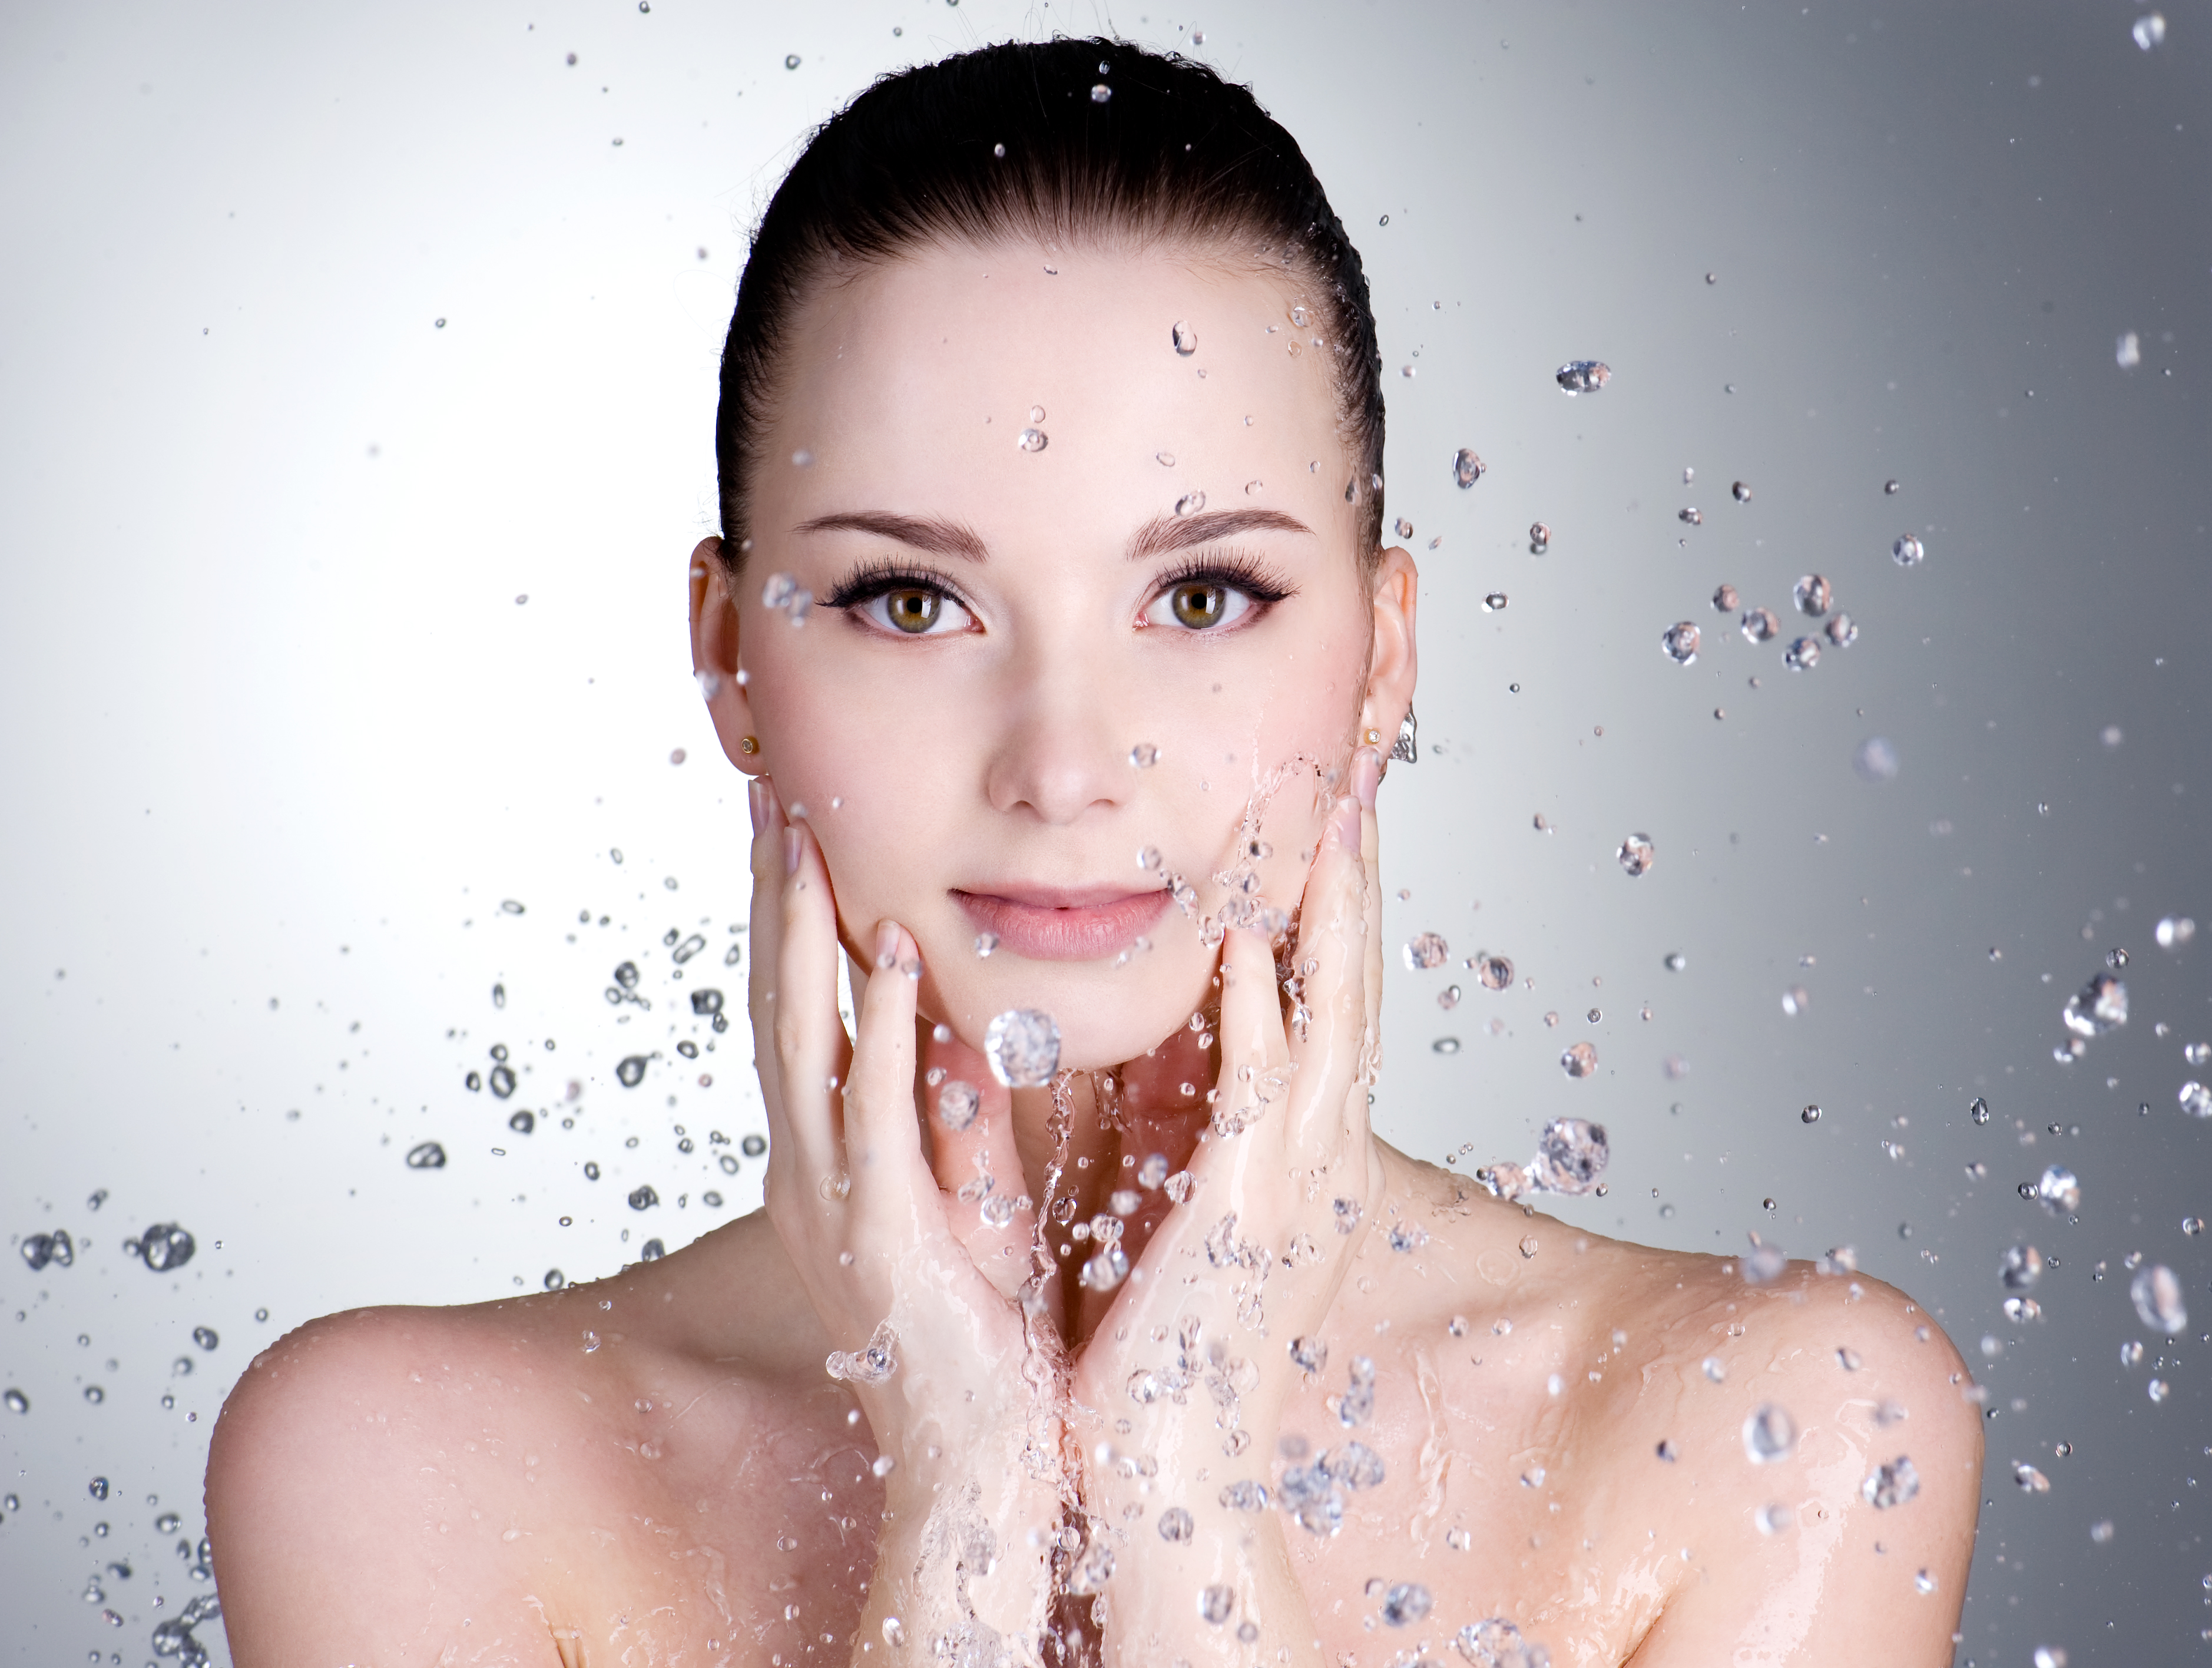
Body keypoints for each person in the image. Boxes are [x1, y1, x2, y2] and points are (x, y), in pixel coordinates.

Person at [206, 38, 1981, 1667]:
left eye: (1202, 595)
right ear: (734, 659)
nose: (1062, 764)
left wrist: (1175, 1475)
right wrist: (965, 1498)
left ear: (1380, 662)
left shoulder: (1775, 1431)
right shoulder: (404, 1469)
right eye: (913, 601)